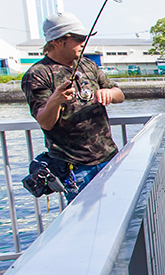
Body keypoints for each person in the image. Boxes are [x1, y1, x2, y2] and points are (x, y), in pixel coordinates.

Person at [22, 12, 124, 202]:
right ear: (57, 41)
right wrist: (55, 100)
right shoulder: (37, 74)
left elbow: (120, 94)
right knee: (84, 216)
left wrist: (109, 93)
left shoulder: (88, 65)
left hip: (109, 158)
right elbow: (45, 122)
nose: (83, 43)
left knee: (117, 209)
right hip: (76, 168)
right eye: (78, 38)